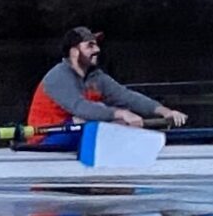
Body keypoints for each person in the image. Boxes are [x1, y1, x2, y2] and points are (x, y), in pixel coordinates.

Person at [24, 27, 187, 147]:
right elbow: (81, 107)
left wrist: (164, 111)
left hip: (77, 132)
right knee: (97, 117)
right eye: (90, 46)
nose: (97, 49)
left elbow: (126, 96)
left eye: (96, 45)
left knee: (112, 120)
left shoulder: (96, 76)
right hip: (45, 139)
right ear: (74, 52)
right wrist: (120, 114)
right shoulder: (58, 77)